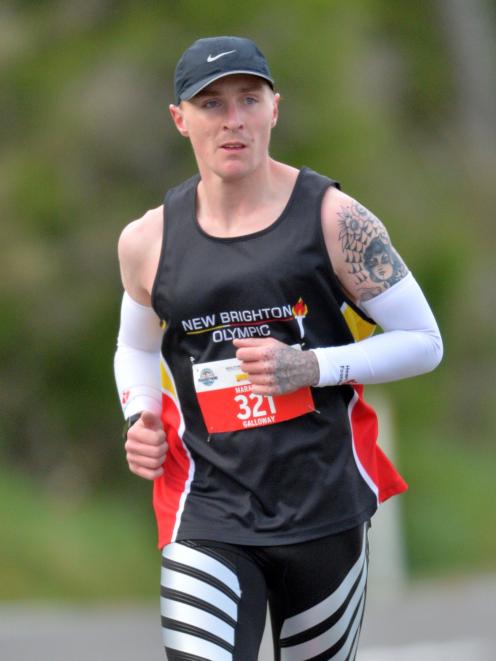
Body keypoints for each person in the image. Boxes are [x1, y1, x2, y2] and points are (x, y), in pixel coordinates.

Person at [114, 35, 443, 661]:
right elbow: (133, 346)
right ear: (180, 121)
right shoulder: (147, 240)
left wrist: (311, 366)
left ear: (275, 109)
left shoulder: (336, 220)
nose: (232, 120)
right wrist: (141, 413)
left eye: (248, 99)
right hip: (206, 505)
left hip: (323, 507)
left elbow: (425, 342)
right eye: (211, 105)